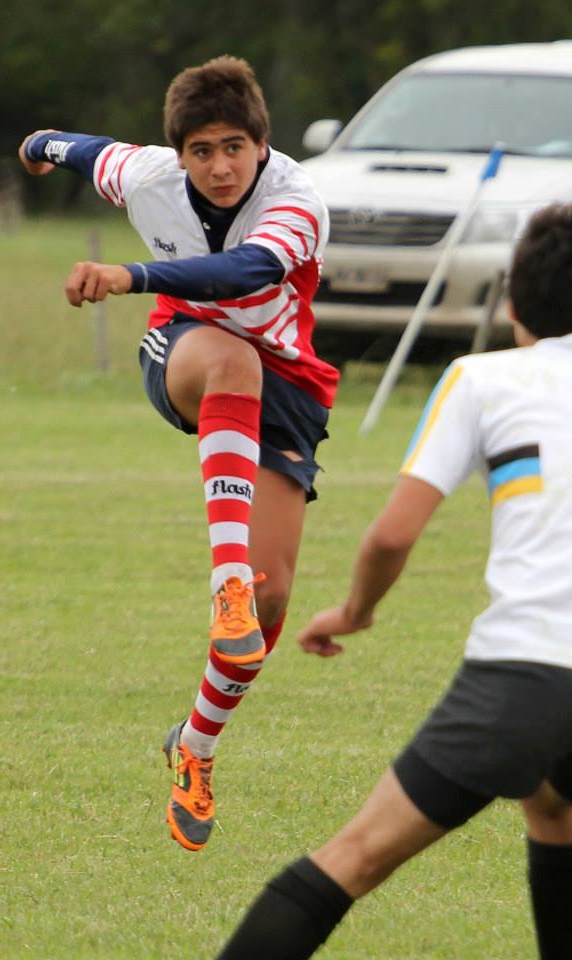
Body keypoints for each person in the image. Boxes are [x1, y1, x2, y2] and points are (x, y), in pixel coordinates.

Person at [215, 202, 572, 959]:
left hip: (527, 675)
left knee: (351, 860)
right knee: (554, 811)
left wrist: (353, 610)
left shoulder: (482, 380)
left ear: (512, 304)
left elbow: (392, 534)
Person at [18, 56, 338, 852]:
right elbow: (90, 151)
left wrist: (128, 271)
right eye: (202, 150)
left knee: (271, 611)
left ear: (261, 143)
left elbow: (246, 271)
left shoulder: (297, 200)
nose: (220, 165)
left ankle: (194, 746)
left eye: (235, 146)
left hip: (290, 383)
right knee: (232, 360)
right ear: (180, 153)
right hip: (188, 352)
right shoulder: (149, 174)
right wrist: (41, 143)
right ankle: (223, 584)